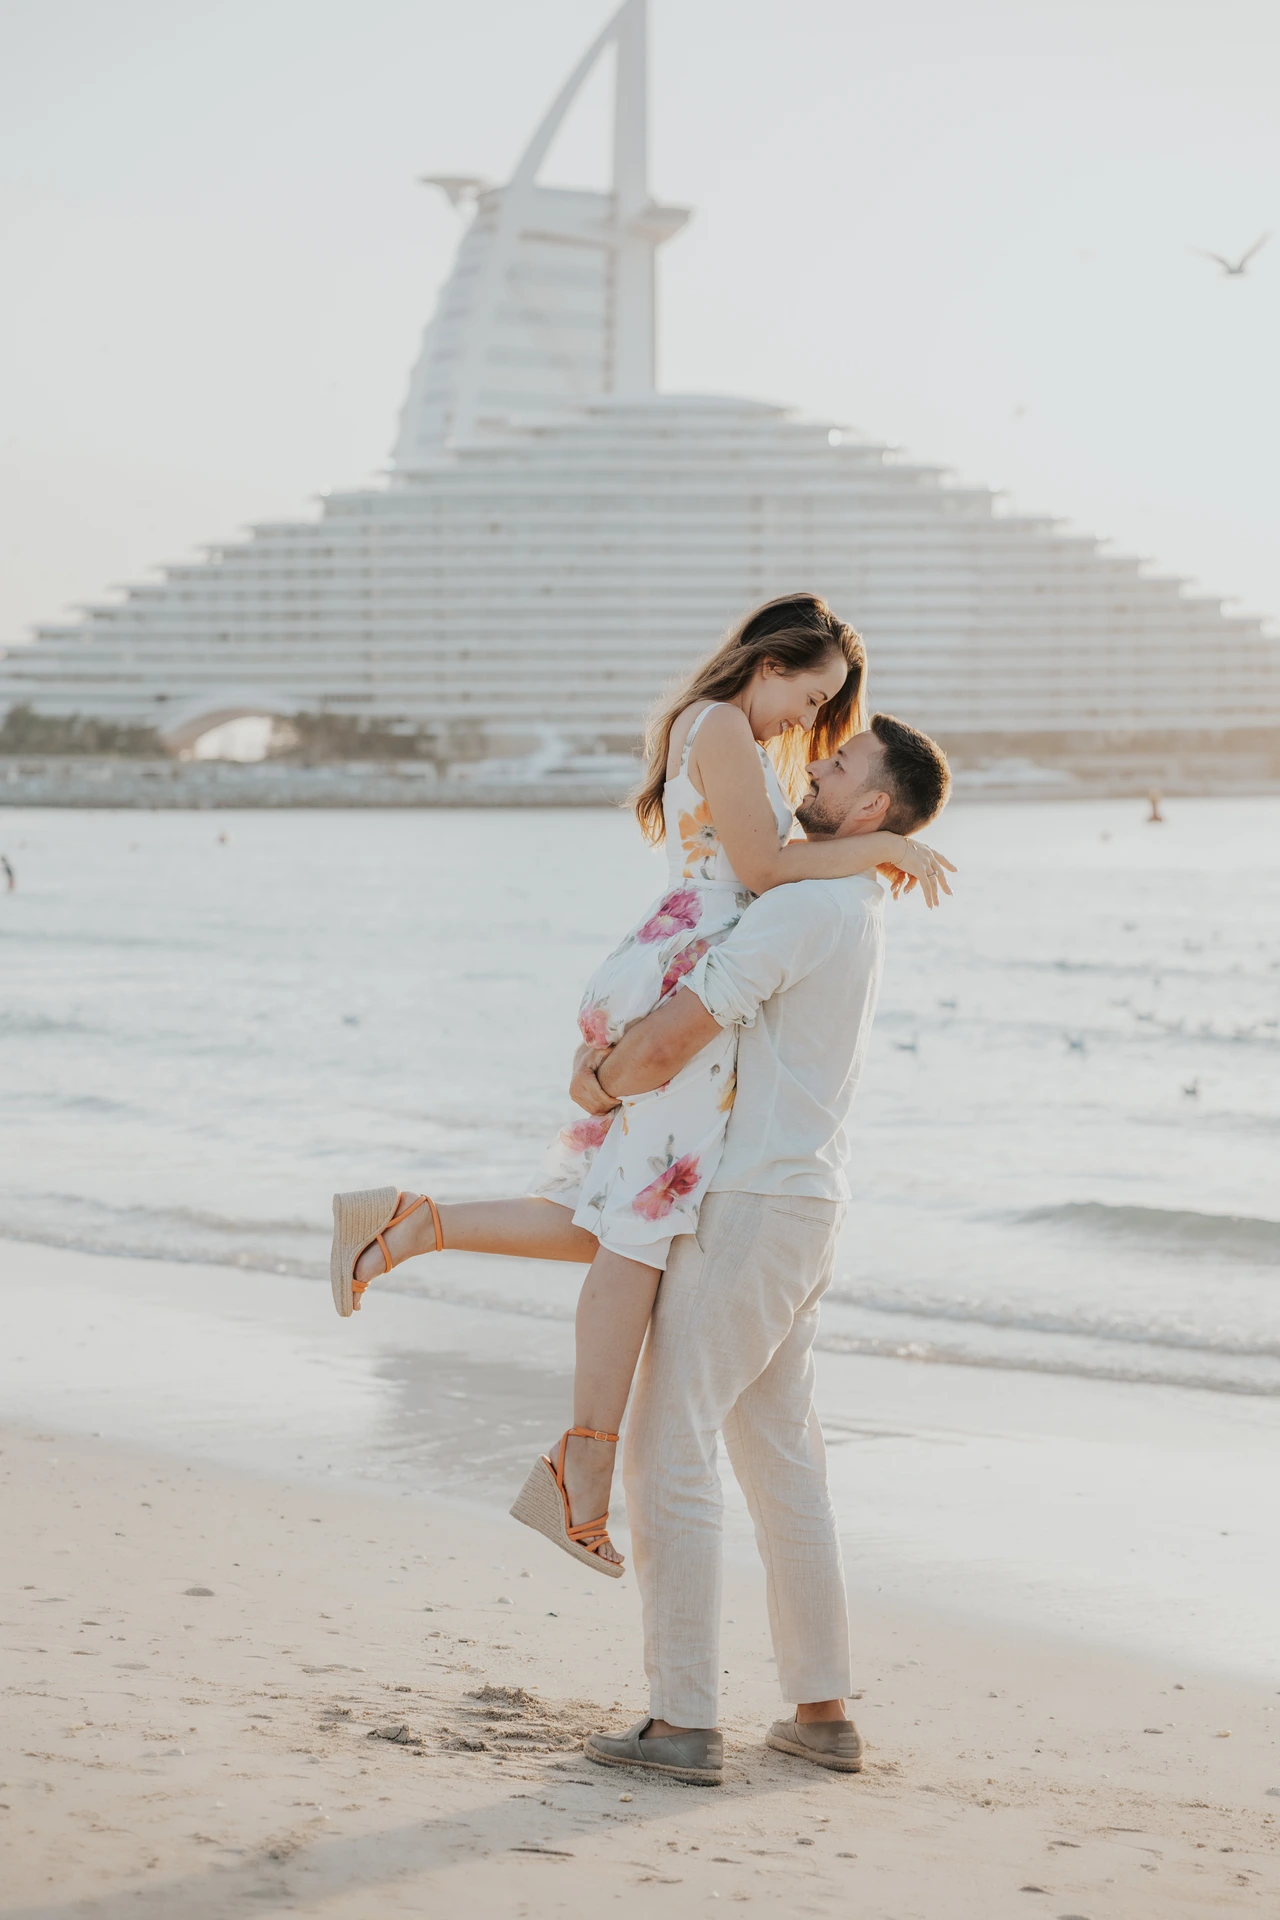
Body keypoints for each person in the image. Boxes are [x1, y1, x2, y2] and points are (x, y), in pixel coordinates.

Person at [331, 594, 954, 1573]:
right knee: (640, 1237)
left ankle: (406, 1222)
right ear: (765, 661)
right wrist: (876, 845)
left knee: (604, 1221)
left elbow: (754, 864)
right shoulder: (715, 726)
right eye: (808, 691)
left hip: (668, 958)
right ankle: (580, 1473)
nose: (806, 718)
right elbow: (755, 863)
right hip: (681, 973)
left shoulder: (717, 730)